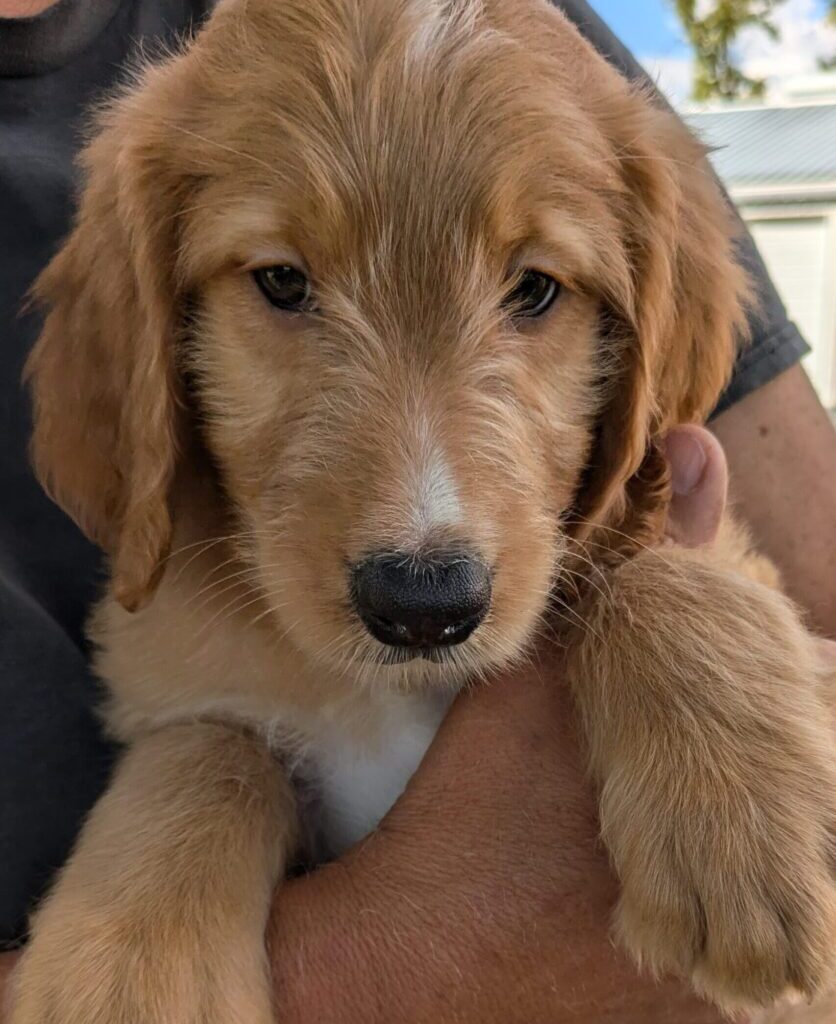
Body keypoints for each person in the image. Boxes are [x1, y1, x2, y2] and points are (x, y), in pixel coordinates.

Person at [0, 1, 834, 1021]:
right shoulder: (196, 615)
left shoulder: (558, 50)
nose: (416, 511)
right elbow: (197, 725)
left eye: (534, 292)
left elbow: (764, 563)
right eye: (282, 282)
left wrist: (681, 613)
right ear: (151, 335)